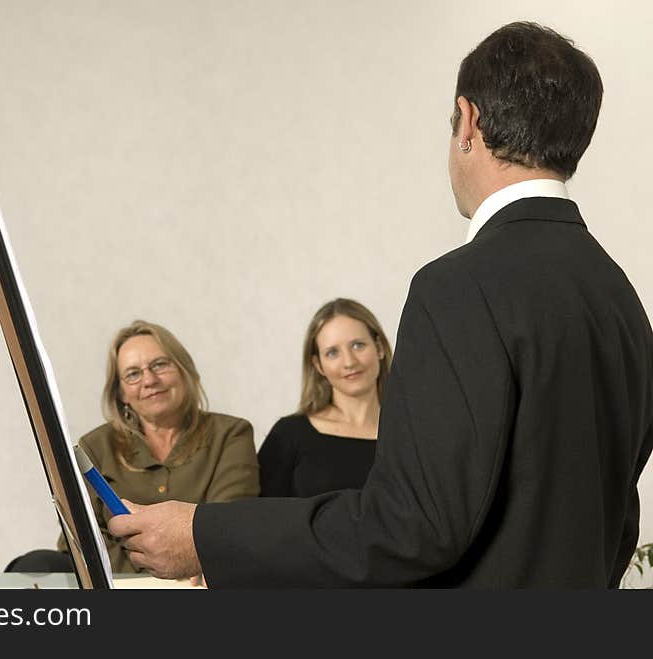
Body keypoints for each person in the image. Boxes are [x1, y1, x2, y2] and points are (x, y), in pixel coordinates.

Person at [108, 22, 653, 588]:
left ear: (469, 121)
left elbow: (414, 526)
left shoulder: (457, 285)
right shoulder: (620, 299)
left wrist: (203, 536)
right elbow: (617, 523)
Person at [58, 319, 259, 575]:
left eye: (160, 365)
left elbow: (229, 527)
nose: (149, 380)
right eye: (133, 374)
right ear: (120, 393)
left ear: (184, 369)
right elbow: (76, 541)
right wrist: (154, 575)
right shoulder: (94, 447)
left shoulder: (231, 434)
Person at [259, 298, 392, 497]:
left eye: (358, 345)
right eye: (332, 353)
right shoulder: (289, 435)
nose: (349, 362)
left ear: (379, 348)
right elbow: (260, 518)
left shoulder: (411, 435)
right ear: (318, 365)